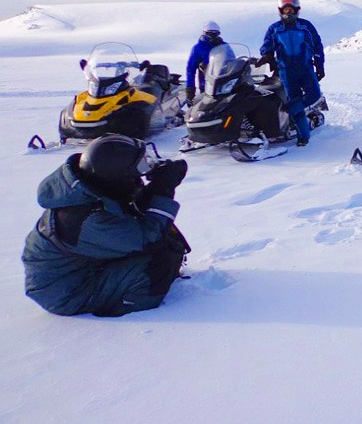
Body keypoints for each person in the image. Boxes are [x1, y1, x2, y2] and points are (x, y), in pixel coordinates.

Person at [22, 134, 190, 317]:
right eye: (140, 166)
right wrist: (163, 191)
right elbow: (148, 236)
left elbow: (127, 207)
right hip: (66, 293)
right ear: (117, 176)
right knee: (157, 263)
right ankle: (129, 306)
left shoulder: (91, 188)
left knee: (164, 247)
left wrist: (156, 185)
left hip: (81, 268)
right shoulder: (87, 219)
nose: (143, 171)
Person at [259, 0, 325, 147]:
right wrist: (266, 55)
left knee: (314, 95)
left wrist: (320, 64)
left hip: (306, 68)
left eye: (291, 10)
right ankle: (303, 136)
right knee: (294, 99)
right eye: (285, 10)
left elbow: (317, 45)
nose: (288, 13)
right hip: (286, 71)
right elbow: (267, 45)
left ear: (297, 10)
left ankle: (288, 110)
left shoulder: (305, 26)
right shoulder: (275, 28)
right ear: (280, 10)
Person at [185, 21, 224, 102]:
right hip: (207, 86)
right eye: (210, 34)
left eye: (216, 34)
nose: (213, 36)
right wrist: (190, 89)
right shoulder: (198, 48)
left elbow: (232, 60)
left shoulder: (223, 46)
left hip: (225, 83)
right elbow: (190, 69)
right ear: (205, 33)